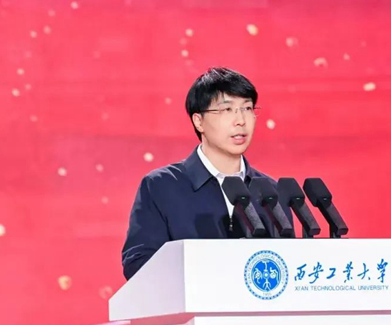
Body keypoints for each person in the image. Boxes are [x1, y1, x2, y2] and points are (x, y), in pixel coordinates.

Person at [121, 67, 291, 280]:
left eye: (247, 108)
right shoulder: (161, 186)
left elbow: (288, 266)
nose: (240, 120)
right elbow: (138, 264)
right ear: (198, 121)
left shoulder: (271, 192)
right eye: (227, 110)